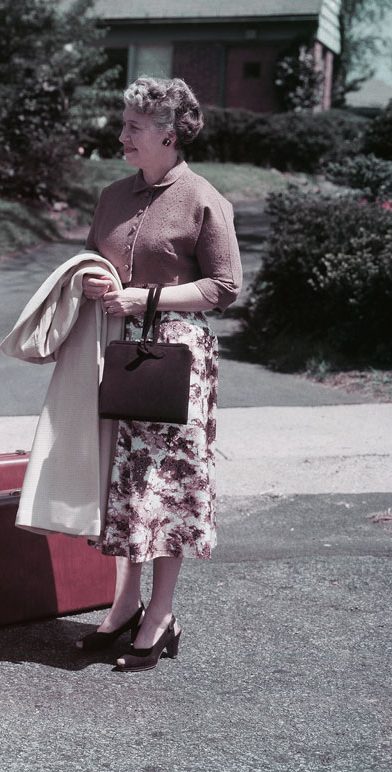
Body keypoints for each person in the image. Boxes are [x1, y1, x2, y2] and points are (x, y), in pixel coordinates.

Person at [75, 76, 242, 671]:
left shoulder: (203, 198)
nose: (122, 136)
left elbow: (225, 287)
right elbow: (95, 260)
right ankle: (124, 605)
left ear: (169, 135)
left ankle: (160, 615)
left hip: (174, 360)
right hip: (117, 349)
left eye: (134, 128)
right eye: (123, 124)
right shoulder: (113, 195)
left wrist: (143, 300)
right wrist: (94, 284)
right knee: (123, 485)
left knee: (164, 489)